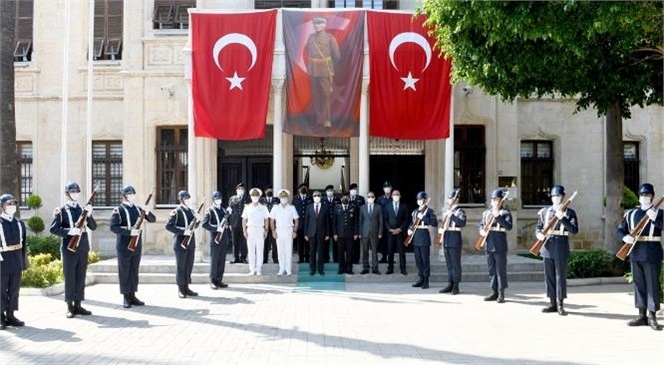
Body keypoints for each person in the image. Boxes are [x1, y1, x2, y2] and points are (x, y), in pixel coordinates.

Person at [616, 183, 662, 331]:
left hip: (651, 251)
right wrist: (625, 238)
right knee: (639, 285)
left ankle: (652, 316)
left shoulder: (659, 213)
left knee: (652, 285)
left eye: (647, 195)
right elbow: (620, 231)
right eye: (642, 195)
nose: (644, 198)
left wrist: (656, 218)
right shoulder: (631, 214)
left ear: (652, 196)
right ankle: (641, 315)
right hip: (635, 251)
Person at [50, 182, 97, 318]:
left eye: (77, 191)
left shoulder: (83, 209)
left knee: (80, 276)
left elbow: (93, 227)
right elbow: (54, 229)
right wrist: (70, 231)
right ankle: (69, 306)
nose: (75, 193)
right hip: (69, 247)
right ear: (67, 193)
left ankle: (78, 304)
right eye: (72, 191)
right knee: (70, 276)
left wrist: (89, 215)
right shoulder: (61, 210)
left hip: (82, 247)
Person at [109, 185, 156, 308]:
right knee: (124, 271)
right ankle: (126, 296)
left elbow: (152, 219)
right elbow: (113, 227)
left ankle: (133, 295)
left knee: (134, 270)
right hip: (124, 244)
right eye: (129, 194)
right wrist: (130, 232)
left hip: (136, 244)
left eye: (133, 193)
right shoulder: (118, 210)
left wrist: (147, 211)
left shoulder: (138, 209)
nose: (131, 196)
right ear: (124, 195)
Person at [535, 185, 579, 315]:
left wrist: (563, 218)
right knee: (549, 276)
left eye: (558, 196)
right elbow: (539, 226)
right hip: (547, 245)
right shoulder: (545, 211)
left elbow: (574, 230)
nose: (556, 198)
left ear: (563, 197)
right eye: (554, 196)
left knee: (560, 276)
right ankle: (552, 303)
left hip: (560, 245)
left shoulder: (569, 212)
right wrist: (538, 234)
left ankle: (560, 304)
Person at [479, 188, 513, 303]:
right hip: (489, 243)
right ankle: (494, 291)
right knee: (491, 269)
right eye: (493, 199)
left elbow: (508, 226)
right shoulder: (486, 213)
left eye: (497, 199)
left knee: (500, 270)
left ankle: (501, 293)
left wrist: (498, 216)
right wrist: (481, 231)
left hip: (500, 244)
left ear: (501, 201)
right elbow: (481, 224)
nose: (494, 201)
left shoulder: (505, 213)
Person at [305, 16, 340, 128]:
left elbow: (337, 56)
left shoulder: (330, 38)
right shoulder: (311, 38)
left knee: (326, 95)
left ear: (324, 25)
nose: (316, 25)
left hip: (325, 70)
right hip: (313, 70)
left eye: (319, 23)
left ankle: (327, 120)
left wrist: (328, 66)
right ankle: (319, 120)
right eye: (315, 23)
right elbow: (307, 51)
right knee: (316, 95)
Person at [165, 190, 200, 299]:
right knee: (181, 266)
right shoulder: (176, 212)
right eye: (185, 198)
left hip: (190, 243)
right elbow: (169, 226)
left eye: (188, 198)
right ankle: (180, 288)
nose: (187, 200)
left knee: (188, 266)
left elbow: (194, 227)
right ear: (180, 199)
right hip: (180, 242)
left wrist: (197, 220)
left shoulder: (191, 211)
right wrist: (183, 231)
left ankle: (187, 287)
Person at [0, 194, 27, 330]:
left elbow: (23, 244)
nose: (11, 207)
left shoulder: (19, 223)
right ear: (2, 206)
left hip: (16, 259)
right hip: (2, 260)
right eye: (8, 204)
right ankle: (1, 316)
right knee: (1, 290)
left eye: (13, 204)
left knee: (14, 289)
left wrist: (23, 262)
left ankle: (11, 315)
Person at [406, 191, 437, 289]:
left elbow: (434, 223)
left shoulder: (429, 211)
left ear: (425, 200)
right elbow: (412, 223)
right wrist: (409, 230)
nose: (419, 201)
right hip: (416, 236)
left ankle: (426, 280)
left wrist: (423, 217)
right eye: (418, 199)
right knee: (418, 259)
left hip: (424, 236)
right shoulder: (415, 211)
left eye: (421, 199)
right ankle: (420, 278)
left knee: (425, 259)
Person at [439, 189, 467, 295]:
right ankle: (450, 283)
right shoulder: (447, 211)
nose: (450, 200)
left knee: (455, 264)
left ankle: (456, 286)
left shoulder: (460, 211)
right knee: (449, 264)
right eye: (449, 198)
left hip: (455, 239)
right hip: (447, 238)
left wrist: (452, 216)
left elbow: (462, 222)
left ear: (456, 200)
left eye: (451, 198)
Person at [202, 191, 229, 289]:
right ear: (213, 200)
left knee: (222, 260)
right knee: (214, 260)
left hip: (223, 238)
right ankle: (213, 280)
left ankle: (219, 280)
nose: (219, 200)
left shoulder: (224, 210)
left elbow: (226, 223)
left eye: (220, 198)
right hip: (215, 238)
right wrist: (216, 228)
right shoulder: (209, 211)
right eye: (216, 199)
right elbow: (204, 224)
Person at [269, 189, 299, 276]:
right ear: (279, 198)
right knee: (280, 250)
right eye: (282, 197)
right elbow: (271, 220)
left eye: (285, 197)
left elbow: (296, 220)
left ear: (287, 198)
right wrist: (273, 231)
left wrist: (294, 231)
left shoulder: (292, 208)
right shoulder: (275, 208)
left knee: (288, 250)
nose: (283, 199)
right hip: (279, 230)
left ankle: (288, 269)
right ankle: (281, 268)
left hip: (289, 230)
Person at [242, 188, 270, 276]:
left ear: (259, 196)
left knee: (259, 250)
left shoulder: (263, 207)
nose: (255, 197)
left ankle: (259, 269)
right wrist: (244, 230)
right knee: (251, 250)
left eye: (256, 195)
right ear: (251, 196)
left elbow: (266, 219)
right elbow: (244, 219)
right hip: (250, 229)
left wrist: (266, 230)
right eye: (253, 195)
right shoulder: (247, 207)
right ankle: (252, 269)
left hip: (260, 229)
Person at [303, 190, 329, 276]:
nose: (316, 197)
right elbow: (306, 221)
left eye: (318, 195)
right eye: (315, 195)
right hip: (311, 233)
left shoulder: (325, 207)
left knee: (321, 252)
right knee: (312, 252)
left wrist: (328, 234)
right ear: (312, 197)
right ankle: (312, 269)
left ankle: (321, 269)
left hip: (322, 233)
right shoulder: (309, 207)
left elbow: (327, 222)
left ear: (321, 197)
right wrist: (305, 233)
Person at [384, 189, 409, 275]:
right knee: (390, 250)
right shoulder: (387, 206)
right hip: (390, 232)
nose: (396, 196)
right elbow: (385, 220)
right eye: (394, 195)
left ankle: (403, 268)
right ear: (391, 196)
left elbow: (406, 220)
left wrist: (400, 229)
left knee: (401, 251)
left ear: (400, 196)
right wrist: (389, 229)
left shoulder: (404, 206)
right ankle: (390, 268)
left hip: (400, 232)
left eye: (397, 195)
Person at [333, 194, 359, 275]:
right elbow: (334, 222)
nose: (345, 198)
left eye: (346, 197)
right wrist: (335, 233)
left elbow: (356, 222)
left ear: (349, 199)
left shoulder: (353, 207)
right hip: (340, 235)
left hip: (350, 235)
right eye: (343, 197)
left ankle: (349, 269)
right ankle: (341, 269)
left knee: (349, 253)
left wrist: (356, 233)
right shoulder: (337, 208)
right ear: (341, 199)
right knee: (340, 253)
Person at [359, 191, 383, 275]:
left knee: (374, 251)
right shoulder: (362, 207)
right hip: (365, 232)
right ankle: (365, 267)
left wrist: (380, 232)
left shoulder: (378, 207)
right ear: (366, 198)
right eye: (369, 197)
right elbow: (360, 221)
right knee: (365, 251)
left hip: (375, 232)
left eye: (372, 197)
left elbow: (381, 221)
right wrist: (360, 233)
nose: (370, 198)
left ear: (374, 198)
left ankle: (375, 268)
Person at [228, 183, 250, 264]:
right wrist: (229, 223)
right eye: (239, 189)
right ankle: (235, 258)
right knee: (235, 242)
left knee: (244, 242)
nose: (240, 191)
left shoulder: (247, 199)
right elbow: (229, 211)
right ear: (236, 190)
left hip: (244, 224)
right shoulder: (232, 199)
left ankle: (243, 257)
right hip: (234, 223)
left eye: (242, 189)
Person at [293, 183, 312, 263]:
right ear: (298, 190)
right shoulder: (295, 199)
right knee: (300, 242)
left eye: (304, 188)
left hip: (308, 224)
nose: (303, 189)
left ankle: (307, 258)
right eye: (301, 188)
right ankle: (301, 258)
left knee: (307, 242)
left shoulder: (310, 198)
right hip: (299, 224)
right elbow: (293, 211)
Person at [260, 186, 278, 264]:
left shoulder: (277, 200)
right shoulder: (261, 200)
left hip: (274, 224)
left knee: (275, 243)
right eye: (268, 190)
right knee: (265, 243)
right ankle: (265, 259)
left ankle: (275, 258)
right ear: (265, 192)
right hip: (264, 225)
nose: (269, 191)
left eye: (271, 190)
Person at [377, 181, 393, 263]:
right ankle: (383, 257)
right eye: (385, 187)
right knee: (383, 241)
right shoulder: (380, 199)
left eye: (388, 187)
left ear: (391, 188)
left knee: (391, 241)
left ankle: (391, 257)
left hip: (391, 223)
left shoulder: (393, 198)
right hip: (382, 223)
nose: (387, 189)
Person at [349, 183, 365, 264]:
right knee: (349, 242)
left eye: (355, 189)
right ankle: (350, 258)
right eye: (352, 189)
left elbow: (363, 211)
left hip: (358, 222)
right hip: (348, 223)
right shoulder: (347, 198)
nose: (354, 191)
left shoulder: (361, 199)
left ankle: (357, 258)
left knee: (357, 242)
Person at [323, 184, 339, 263]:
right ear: (326, 192)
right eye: (328, 191)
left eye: (331, 190)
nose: (330, 192)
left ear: (333, 191)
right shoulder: (323, 200)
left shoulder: (337, 199)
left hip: (335, 223)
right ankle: (326, 258)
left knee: (336, 242)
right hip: (326, 224)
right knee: (326, 242)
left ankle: (336, 258)